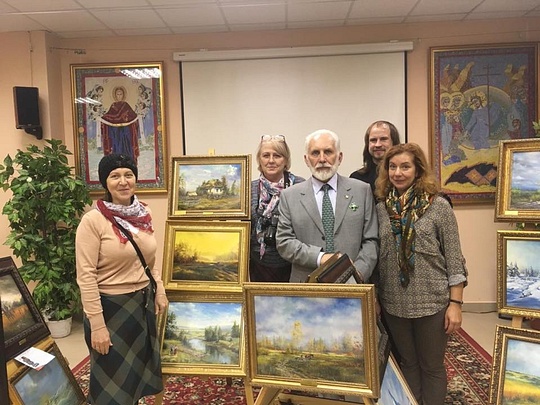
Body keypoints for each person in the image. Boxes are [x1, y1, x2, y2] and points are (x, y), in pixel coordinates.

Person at [373, 143, 468, 405]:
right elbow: (378, 260)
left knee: (432, 366)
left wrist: (455, 304)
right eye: (392, 167)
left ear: (418, 170)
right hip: (394, 303)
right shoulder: (381, 209)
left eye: (405, 166)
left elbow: (455, 259)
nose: (398, 173)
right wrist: (377, 297)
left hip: (432, 302)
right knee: (408, 363)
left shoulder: (439, 207)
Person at [76, 153, 168, 405]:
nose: (123, 181)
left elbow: (150, 261)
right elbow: (85, 276)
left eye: (128, 174)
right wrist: (97, 326)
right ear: (105, 183)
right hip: (110, 311)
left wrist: (159, 289)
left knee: (135, 380)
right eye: (114, 176)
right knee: (112, 388)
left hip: (141, 307)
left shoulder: (144, 213)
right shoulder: (93, 221)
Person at [276, 129, 378, 283]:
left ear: (339, 157)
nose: (322, 159)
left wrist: (356, 275)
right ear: (306, 159)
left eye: (328, 152)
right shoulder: (289, 196)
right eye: (315, 153)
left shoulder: (362, 191)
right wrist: (320, 257)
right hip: (305, 287)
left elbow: (371, 241)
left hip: (354, 287)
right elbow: (284, 242)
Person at [249, 134, 305, 282]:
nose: (271, 161)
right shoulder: (249, 188)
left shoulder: (301, 186)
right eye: (266, 155)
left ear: (286, 160)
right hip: (258, 265)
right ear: (259, 160)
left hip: (294, 264)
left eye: (277, 156)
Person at [350, 121, 400, 190]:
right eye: (373, 140)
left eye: (383, 139)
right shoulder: (356, 179)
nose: (378, 145)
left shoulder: (401, 177)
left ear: (394, 142)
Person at [99, 86, 141, 163]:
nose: (119, 96)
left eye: (120, 94)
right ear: (115, 96)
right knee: (116, 148)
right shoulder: (113, 106)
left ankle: (128, 162)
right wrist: (102, 119)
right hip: (115, 133)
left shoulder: (126, 105)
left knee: (127, 149)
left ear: (123, 95)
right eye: (117, 94)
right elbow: (109, 117)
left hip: (126, 132)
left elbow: (133, 116)